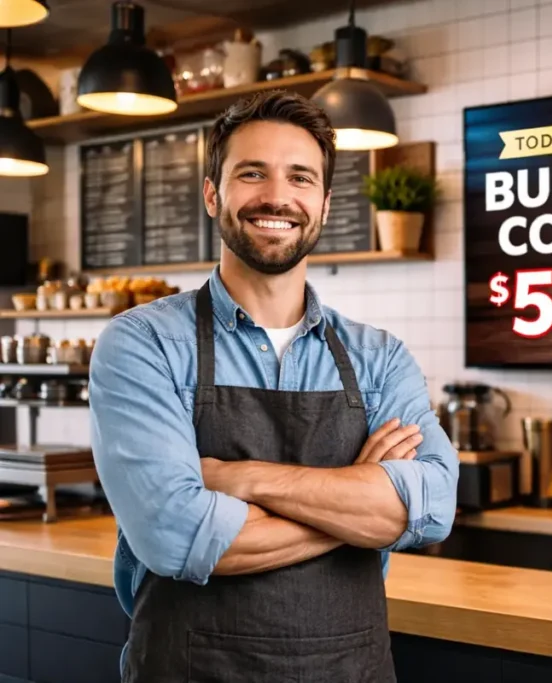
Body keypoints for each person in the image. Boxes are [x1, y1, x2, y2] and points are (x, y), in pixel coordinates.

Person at [88, 89, 458, 682]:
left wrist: (242, 478)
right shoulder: (144, 343)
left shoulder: (378, 358)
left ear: (325, 205)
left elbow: (433, 508)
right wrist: (360, 506)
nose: (277, 197)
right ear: (213, 194)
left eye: (300, 177)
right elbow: (174, 535)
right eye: (252, 173)